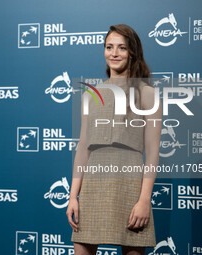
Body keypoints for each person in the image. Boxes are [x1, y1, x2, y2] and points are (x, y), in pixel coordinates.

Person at [66, 24, 162, 255]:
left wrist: (144, 200)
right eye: (109, 47)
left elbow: (152, 151)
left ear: (132, 52)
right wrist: (73, 197)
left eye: (122, 48)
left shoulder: (147, 94)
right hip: (92, 188)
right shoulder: (91, 94)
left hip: (130, 187)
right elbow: (83, 149)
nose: (114, 53)